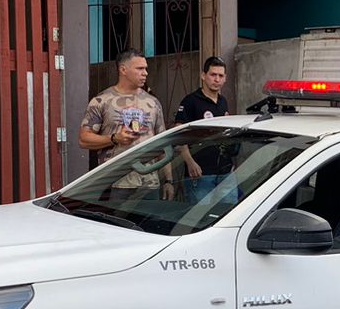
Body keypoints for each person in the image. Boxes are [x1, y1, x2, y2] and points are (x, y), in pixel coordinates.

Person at [78, 50, 172, 195]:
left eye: (145, 68)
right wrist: (114, 138)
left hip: (149, 184)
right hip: (115, 183)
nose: (145, 73)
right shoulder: (102, 101)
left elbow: (163, 143)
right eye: (140, 68)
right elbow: (84, 139)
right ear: (123, 70)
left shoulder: (153, 102)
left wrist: (168, 181)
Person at [174, 57, 230, 200]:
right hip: (200, 172)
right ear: (203, 75)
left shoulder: (223, 102)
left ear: (225, 78)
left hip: (225, 173)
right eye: (213, 74)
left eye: (221, 76)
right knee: (200, 212)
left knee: (231, 210)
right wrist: (190, 162)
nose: (217, 79)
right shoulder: (190, 101)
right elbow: (179, 135)